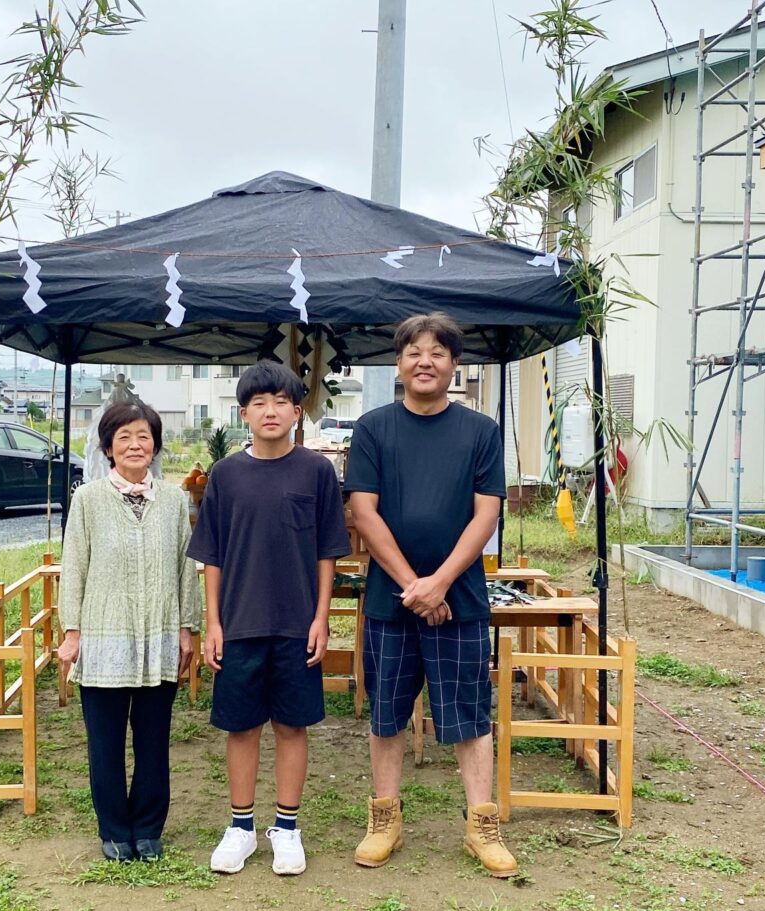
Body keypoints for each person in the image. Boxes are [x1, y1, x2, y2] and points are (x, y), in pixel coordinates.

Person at [345, 312, 518, 878]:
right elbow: (362, 512)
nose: (425, 361)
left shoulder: (480, 431)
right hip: (390, 603)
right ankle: (384, 820)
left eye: (437, 353)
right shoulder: (373, 429)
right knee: (387, 714)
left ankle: (481, 825)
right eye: (414, 352)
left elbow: (486, 514)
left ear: (454, 365)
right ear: (398, 363)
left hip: (459, 600)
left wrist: (440, 582)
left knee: (469, 714)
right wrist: (413, 586)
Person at [187, 361, 350, 876]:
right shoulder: (226, 475)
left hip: (297, 624)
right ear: (244, 414)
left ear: (297, 412)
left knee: (292, 726)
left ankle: (287, 828)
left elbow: (327, 551)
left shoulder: (316, 472)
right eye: (259, 403)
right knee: (240, 727)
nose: (270, 411)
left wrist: (321, 618)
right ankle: (240, 828)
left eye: (281, 402)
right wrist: (213, 623)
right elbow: (211, 555)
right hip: (238, 622)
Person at [59, 401, 201, 862]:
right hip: (104, 638)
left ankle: (149, 828)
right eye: (124, 437)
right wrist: (72, 632)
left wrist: (187, 628)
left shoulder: (174, 501)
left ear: (155, 446)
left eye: (143, 436)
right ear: (108, 448)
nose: (135, 445)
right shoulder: (88, 499)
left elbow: (185, 568)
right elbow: (74, 567)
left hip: (159, 635)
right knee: (105, 743)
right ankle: (115, 830)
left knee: (153, 740)